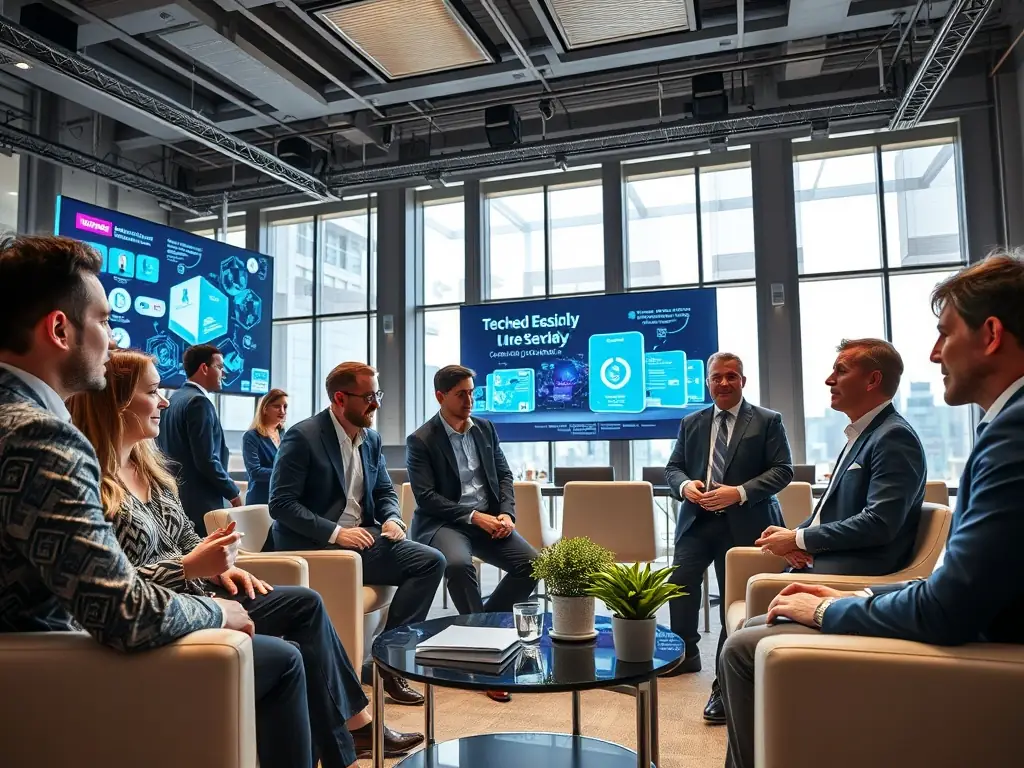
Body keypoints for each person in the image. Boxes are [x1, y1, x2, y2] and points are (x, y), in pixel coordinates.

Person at [0, 236, 310, 768]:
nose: (111, 338)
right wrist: (217, 610)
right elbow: (122, 611)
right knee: (281, 663)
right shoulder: (41, 436)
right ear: (59, 329)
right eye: (103, 322)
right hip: (52, 680)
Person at [718, 253, 1024, 768]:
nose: (933, 354)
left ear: (990, 334)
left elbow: (945, 600)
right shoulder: (1001, 426)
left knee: (743, 647)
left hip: (980, 649)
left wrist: (826, 606)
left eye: (944, 334)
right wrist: (850, 589)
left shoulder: (1004, 434)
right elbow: (969, 580)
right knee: (750, 632)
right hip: (946, 610)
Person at [67, 349, 422, 766]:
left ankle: (353, 733)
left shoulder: (151, 471)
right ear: (118, 402)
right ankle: (353, 736)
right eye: (153, 392)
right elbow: (109, 582)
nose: (165, 401)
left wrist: (225, 568)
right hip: (170, 605)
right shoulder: (90, 481)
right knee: (292, 657)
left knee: (306, 602)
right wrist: (190, 568)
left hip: (199, 589)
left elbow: (185, 537)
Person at [269, 361, 446, 706]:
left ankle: (385, 664)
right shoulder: (303, 436)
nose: (376, 404)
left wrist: (393, 518)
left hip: (363, 541)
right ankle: (385, 666)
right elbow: (281, 504)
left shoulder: (371, 439)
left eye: (376, 394)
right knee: (427, 562)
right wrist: (337, 533)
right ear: (340, 398)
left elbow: (384, 492)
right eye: (368, 397)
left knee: (430, 562)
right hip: (316, 547)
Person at [662, 352, 793, 723]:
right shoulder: (692, 421)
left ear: (743, 381)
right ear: (707, 381)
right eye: (716, 377)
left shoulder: (767, 421)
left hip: (745, 525)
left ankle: (722, 683)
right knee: (680, 584)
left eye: (731, 377)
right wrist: (685, 485)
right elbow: (673, 468)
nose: (723, 383)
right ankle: (686, 654)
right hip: (697, 521)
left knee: (733, 602)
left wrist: (738, 492)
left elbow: (783, 470)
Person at [406, 365, 539, 704]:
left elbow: (505, 476)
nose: (469, 399)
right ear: (441, 396)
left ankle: (481, 630)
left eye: (471, 392)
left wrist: (507, 513)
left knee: (533, 564)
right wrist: (475, 516)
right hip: (446, 523)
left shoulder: (485, 429)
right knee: (458, 566)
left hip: (490, 520)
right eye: (461, 394)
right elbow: (427, 498)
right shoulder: (421, 439)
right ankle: (483, 661)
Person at [755, 339, 926, 576]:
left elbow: (879, 523)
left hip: (858, 573)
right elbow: (830, 513)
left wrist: (797, 538)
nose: (829, 380)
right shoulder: (864, 434)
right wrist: (791, 537)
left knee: (760, 606)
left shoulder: (894, 436)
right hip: (832, 562)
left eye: (841, 370)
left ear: (873, 380)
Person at [156, 343, 241, 531]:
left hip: (176, 497)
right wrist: (232, 491)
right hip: (201, 502)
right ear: (204, 368)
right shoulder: (198, 402)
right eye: (219, 367)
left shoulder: (174, 399)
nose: (224, 373)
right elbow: (206, 458)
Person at [242, 388, 288, 506]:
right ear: (265, 409)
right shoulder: (251, 436)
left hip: (281, 499)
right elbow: (255, 472)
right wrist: (285, 473)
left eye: (285, 407)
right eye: (277, 406)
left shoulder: (283, 433)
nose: (282, 411)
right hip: (260, 501)